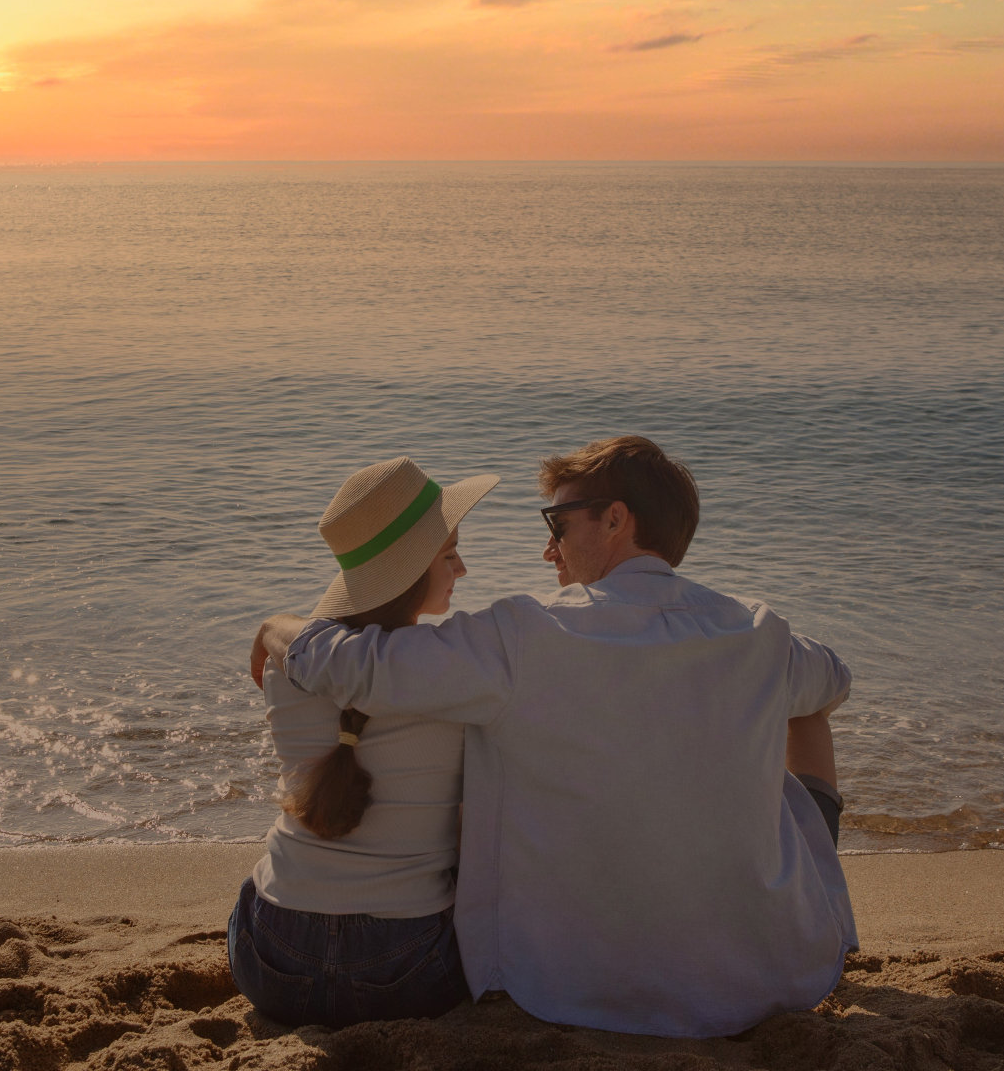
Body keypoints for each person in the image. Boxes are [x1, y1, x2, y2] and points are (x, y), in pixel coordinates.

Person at [253, 435, 855, 1039]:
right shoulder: (757, 630)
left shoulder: (527, 636)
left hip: (577, 982)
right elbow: (833, 680)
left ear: (615, 519)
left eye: (558, 524)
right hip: (762, 972)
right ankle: (813, 900)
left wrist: (278, 630)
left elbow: (355, 668)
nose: (548, 549)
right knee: (805, 712)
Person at [227, 455, 498, 1028]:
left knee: (262, 875)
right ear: (410, 572)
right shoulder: (454, 673)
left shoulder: (283, 664)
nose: (464, 569)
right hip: (406, 968)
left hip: (272, 959)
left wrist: (274, 622)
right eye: (450, 555)